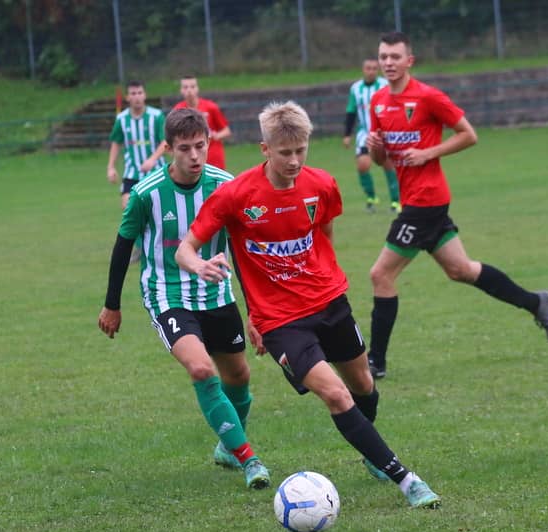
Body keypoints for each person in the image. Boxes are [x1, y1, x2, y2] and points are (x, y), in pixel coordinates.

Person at [175, 101, 440, 508]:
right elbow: (185, 249)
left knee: (363, 386)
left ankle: (371, 451)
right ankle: (407, 480)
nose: (294, 161)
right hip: (281, 322)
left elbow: (323, 234)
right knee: (336, 395)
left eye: (301, 150)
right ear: (265, 149)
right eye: (285, 153)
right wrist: (201, 266)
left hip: (330, 302)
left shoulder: (322, 185)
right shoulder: (236, 195)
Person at [365, 31, 548, 381]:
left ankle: (375, 362)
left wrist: (428, 152)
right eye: (383, 57)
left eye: (395, 56)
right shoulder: (377, 102)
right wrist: (376, 148)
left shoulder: (428, 97)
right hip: (418, 200)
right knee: (461, 270)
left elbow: (469, 134)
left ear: (409, 61)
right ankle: (536, 302)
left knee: (381, 275)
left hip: (425, 201)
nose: (388, 62)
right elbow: (383, 162)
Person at [97, 108, 270, 490]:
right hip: (167, 294)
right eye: (184, 148)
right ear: (168, 149)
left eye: (200, 146)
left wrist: (257, 312)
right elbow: (123, 246)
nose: (194, 156)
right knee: (201, 369)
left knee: (239, 376)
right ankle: (249, 458)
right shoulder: (146, 193)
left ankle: (228, 447)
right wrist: (112, 304)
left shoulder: (226, 187)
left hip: (217, 293)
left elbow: (242, 253)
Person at [344, 58, 401, 213]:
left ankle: (396, 201)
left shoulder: (385, 85)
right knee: (363, 165)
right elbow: (351, 111)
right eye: (368, 68)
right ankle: (371, 197)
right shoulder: (356, 88)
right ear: (363, 70)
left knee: (388, 164)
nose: (371, 71)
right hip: (365, 133)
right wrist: (347, 134)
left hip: (384, 132)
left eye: (374, 68)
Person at [107, 80, 167, 211]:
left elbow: (165, 141)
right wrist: (111, 167)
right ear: (127, 97)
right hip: (131, 173)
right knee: (128, 208)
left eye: (140, 93)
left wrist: (152, 159)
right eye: (133, 93)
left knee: (157, 209)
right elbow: (116, 142)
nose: (137, 97)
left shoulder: (156, 116)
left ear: (145, 95)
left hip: (155, 171)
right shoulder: (121, 118)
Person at [173, 75, 231, 170]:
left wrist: (216, 135)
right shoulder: (178, 110)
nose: (189, 90)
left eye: (192, 87)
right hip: (190, 156)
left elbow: (226, 131)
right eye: (185, 87)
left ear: (197, 88)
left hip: (213, 155)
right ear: (181, 90)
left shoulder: (211, 107)